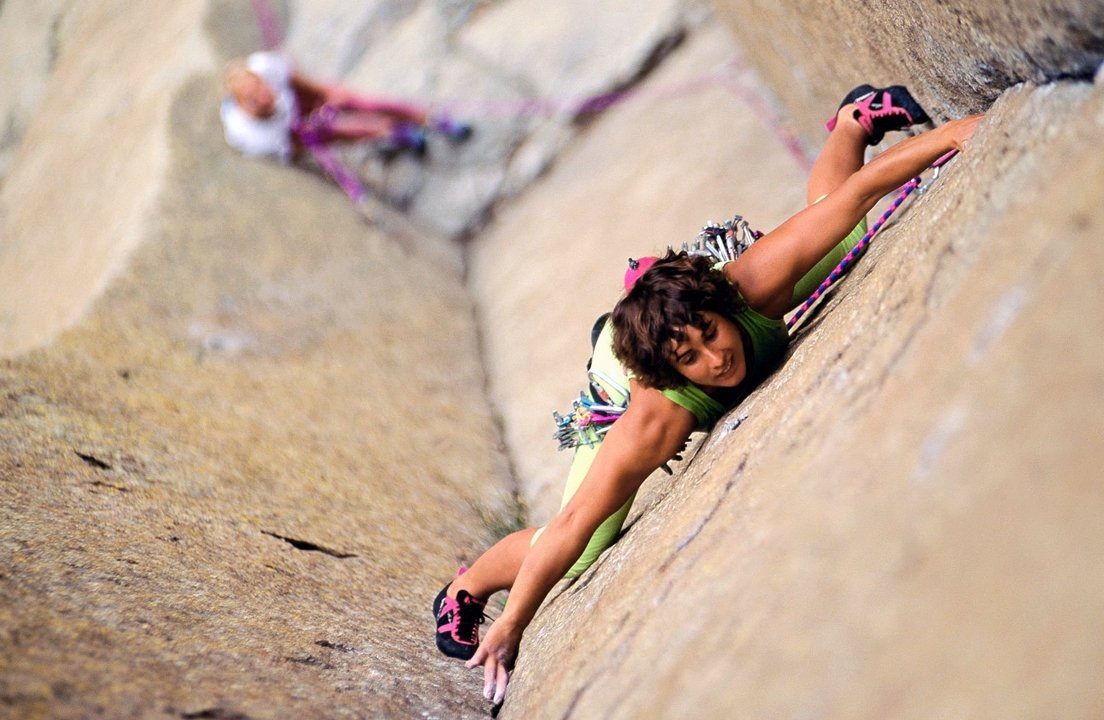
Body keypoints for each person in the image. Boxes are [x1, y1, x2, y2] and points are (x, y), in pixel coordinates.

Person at [433, 83, 983, 704]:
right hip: (624, 365)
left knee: (845, 233)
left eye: (712, 335)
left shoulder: (748, 285)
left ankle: (853, 121)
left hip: (674, 298)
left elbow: (855, 195)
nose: (718, 357)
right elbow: (570, 523)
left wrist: (958, 134)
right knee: (587, 547)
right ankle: (467, 586)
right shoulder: (656, 413)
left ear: (723, 307)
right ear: (674, 373)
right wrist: (512, 623)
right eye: (693, 358)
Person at [219, 50, 471, 161]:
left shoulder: (265, 67)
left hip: (294, 97)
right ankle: (394, 132)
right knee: (344, 132)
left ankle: (427, 118)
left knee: (363, 103)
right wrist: (315, 128)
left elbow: (298, 81)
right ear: (243, 107)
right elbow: (297, 145)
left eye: (261, 88)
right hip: (288, 130)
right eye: (253, 100)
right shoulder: (258, 136)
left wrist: (327, 95)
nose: (262, 97)